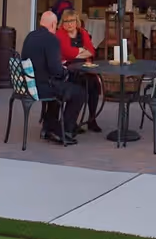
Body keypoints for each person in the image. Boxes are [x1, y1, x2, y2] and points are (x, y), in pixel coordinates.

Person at [22, 11, 87, 144]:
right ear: (53, 24)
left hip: (29, 83)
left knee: (60, 86)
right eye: (56, 24)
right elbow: (56, 70)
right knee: (79, 92)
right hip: (42, 86)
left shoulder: (30, 36)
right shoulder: (52, 39)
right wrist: (65, 72)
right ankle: (65, 131)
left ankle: (49, 126)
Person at [56, 9, 104, 131]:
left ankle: (92, 119)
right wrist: (81, 51)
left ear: (76, 21)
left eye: (71, 21)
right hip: (68, 69)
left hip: (85, 67)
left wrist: (78, 53)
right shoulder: (60, 33)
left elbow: (91, 51)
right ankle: (72, 122)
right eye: (66, 21)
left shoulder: (82, 33)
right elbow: (67, 53)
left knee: (93, 84)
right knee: (80, 84)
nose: (69, 24)